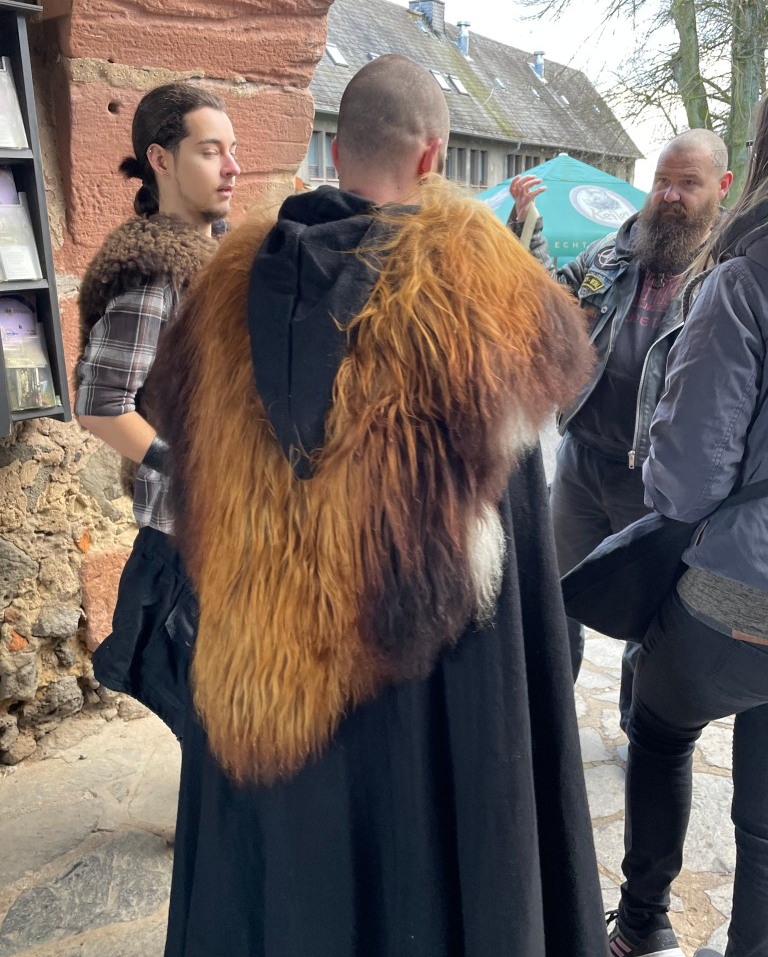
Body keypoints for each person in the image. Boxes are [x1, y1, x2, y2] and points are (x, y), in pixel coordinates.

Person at [150, 53, 608, 957]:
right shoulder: (482, 307)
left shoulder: (219, 296)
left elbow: (182, 477)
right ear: (433, 157)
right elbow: (514, 564)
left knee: (286, 892)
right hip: (426, 703)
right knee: (419, 880)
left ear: (335, 149)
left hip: (261, 683)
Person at [606, 95, 768, 957]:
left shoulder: (745, 279)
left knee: (661, 726)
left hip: (743, 589)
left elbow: (690, 478)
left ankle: (645, 926)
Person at [508, 132, 732, 727]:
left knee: (650, 619)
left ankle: (640, 731)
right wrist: (527, 229)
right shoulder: (611, 253)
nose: (670, 196)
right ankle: (550, 719)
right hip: (581, 464)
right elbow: (548, 308)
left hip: (659, 483)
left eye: (688, 184)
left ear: (722, 187)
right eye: (663, 181)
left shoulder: (726, 278)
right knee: (557, 597)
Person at [75, 82, 240, 737]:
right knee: (213, 724)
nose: (231, 167)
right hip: (186, 537)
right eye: (210, 151)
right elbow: (99, 404)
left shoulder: (218, 257)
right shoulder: (154, 272)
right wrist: (187, 468)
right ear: (161, 160)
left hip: (227, 523)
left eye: (232, 150)